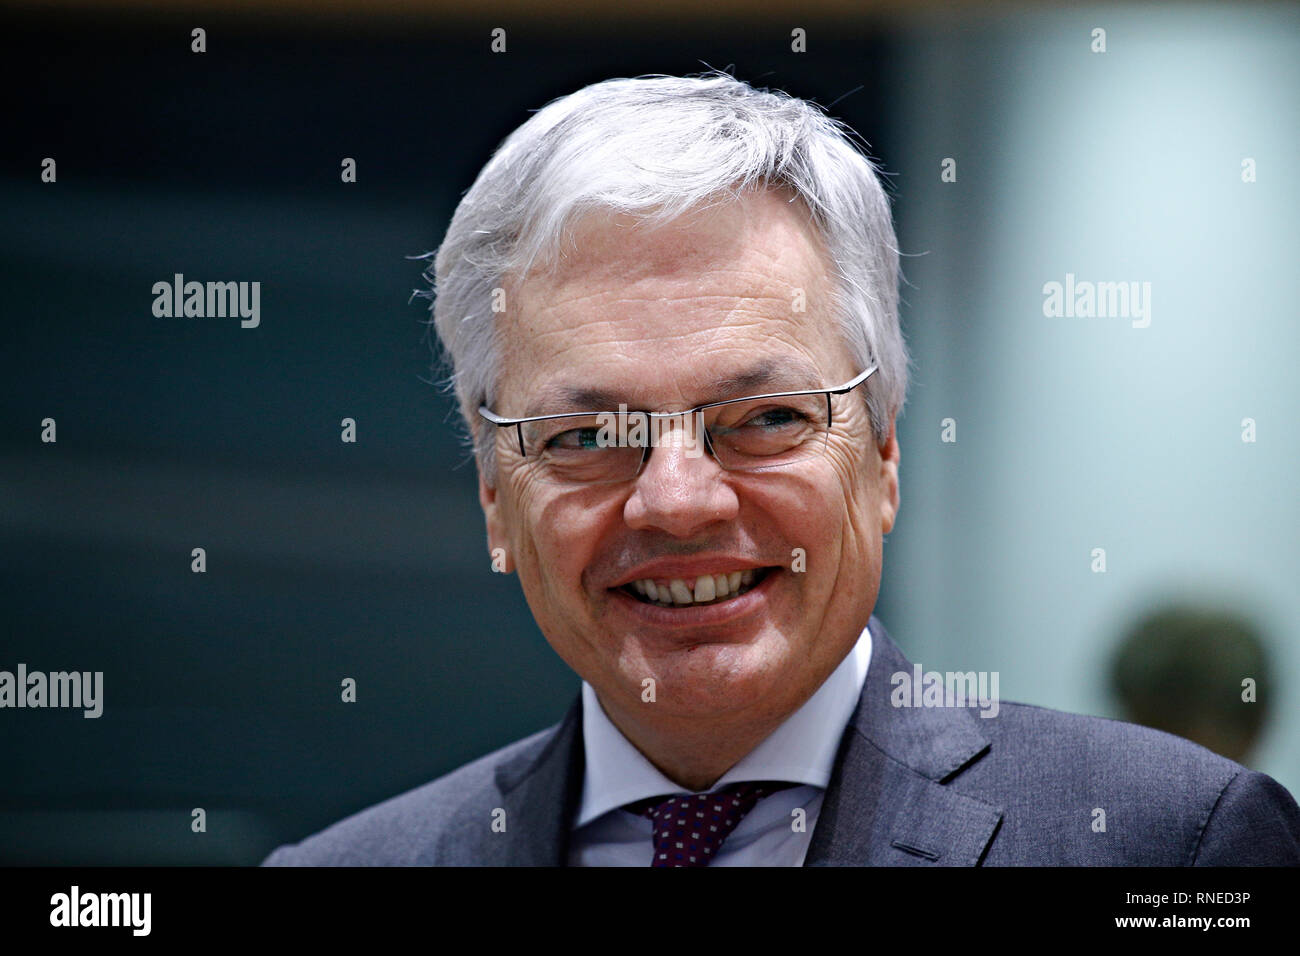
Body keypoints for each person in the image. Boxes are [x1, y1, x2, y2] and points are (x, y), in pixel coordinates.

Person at [263, 73, 1300, 866]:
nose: (675, 500)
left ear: (884, 450)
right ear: (494, 494)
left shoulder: (1170, 842)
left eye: (761, 416)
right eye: (583, 437)